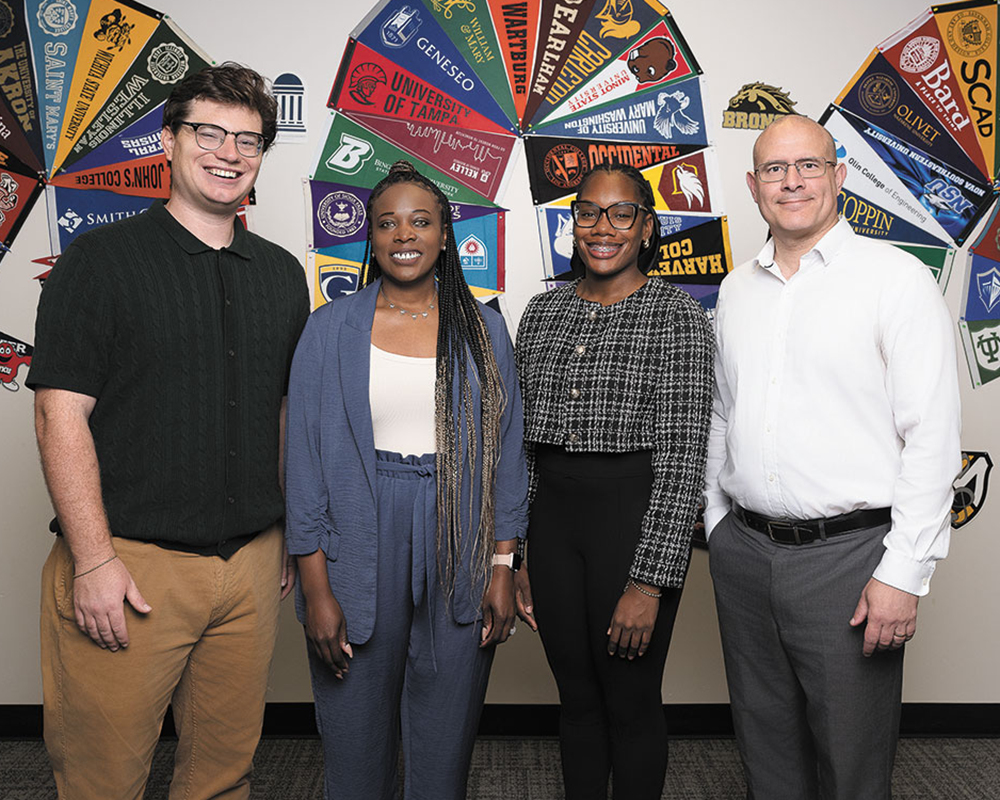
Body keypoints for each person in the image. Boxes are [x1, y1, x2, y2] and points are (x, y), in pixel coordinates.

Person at [29, 63, 309, 798]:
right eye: (208, 133)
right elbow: (59, 413)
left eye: (247, 140)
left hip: (250, 563)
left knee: (223, 774)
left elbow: (282, 410)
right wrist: (93, 560)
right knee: (103, 779)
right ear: (169, 140)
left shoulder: (282, 274)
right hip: (129, 564)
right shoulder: (99, 262)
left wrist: (287, 531)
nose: (228, 153)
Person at [704, 114, 961, 800]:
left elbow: (932, 437)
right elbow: (723, 413)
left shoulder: (895, 279)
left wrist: (903, 573)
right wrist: (717, 525)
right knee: (766, 753)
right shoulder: (735, 291)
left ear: (839, 175)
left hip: (850, 561)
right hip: (745, 554)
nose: (792, 182)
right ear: (754, 187)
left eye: (808, 165)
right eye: (775, 170)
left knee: (851, 764)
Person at [284, 161, 530, 800]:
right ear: (370, 237)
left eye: (421, 221)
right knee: (355, 728)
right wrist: (315, 588)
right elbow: (304, 464)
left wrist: (503, 566)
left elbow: (506, 454)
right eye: (387, 223)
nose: (404, 235)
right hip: (360, 529)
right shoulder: (330, 328)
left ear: (445, 235)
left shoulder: (483, 329)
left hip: (459, 531)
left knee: (445, 728)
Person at [515, 163, 714, 800]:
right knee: (575, 700)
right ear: (573, 224)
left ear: (647, 227)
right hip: (552, 527)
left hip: (631, 523)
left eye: (621, 213)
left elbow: (683, 460)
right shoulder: (541, 312)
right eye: (588, 212)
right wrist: (516, 556)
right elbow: (521, 448)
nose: (603, 227)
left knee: (629, 701)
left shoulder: (678, 316)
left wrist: (649, 582)